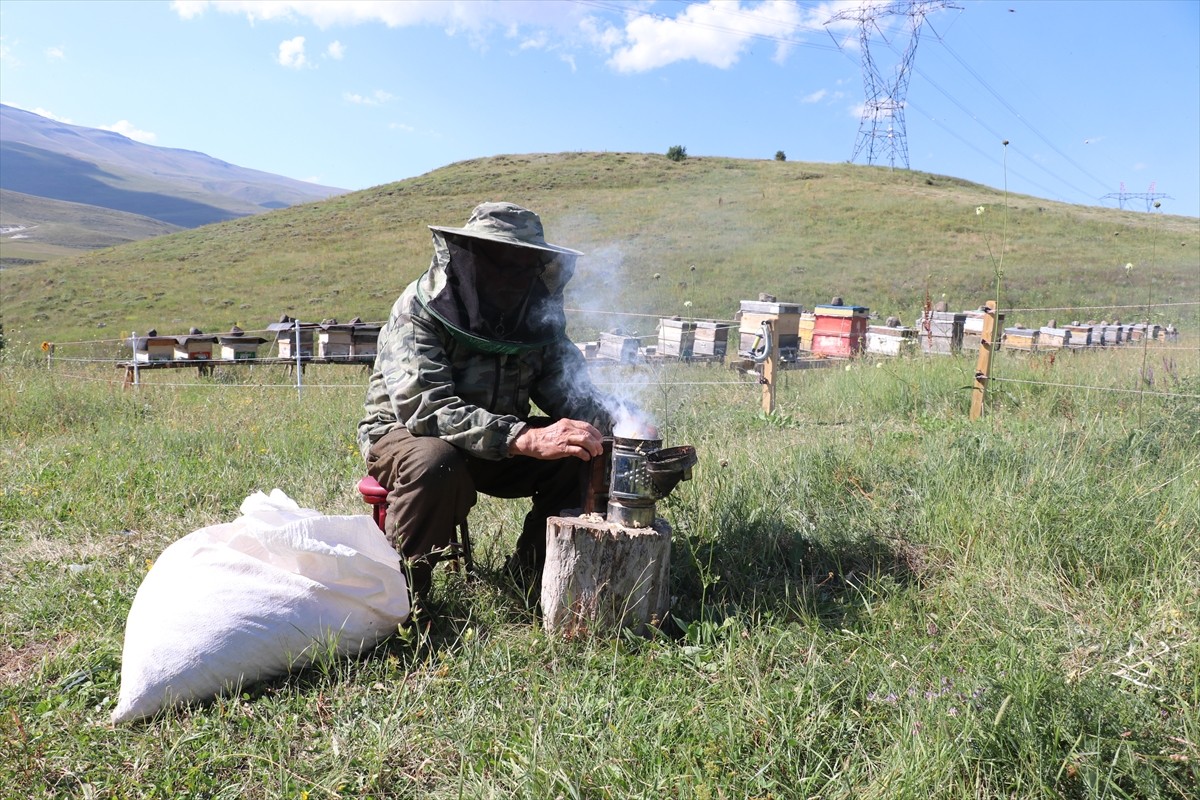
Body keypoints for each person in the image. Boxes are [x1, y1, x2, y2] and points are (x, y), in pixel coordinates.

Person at [358, 202, 618, 600]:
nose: (510, 275)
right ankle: (401, 599)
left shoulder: (536, 323)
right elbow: (424, 407)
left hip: (496, 440)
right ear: (468, 259)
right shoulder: (418, 309)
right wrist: (523, 438)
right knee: (435, 461)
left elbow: (573, 393)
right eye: (499, 260)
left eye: (522, 264)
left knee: (579, 447)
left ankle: (536, 578)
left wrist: (624, 422)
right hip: (406, 435)